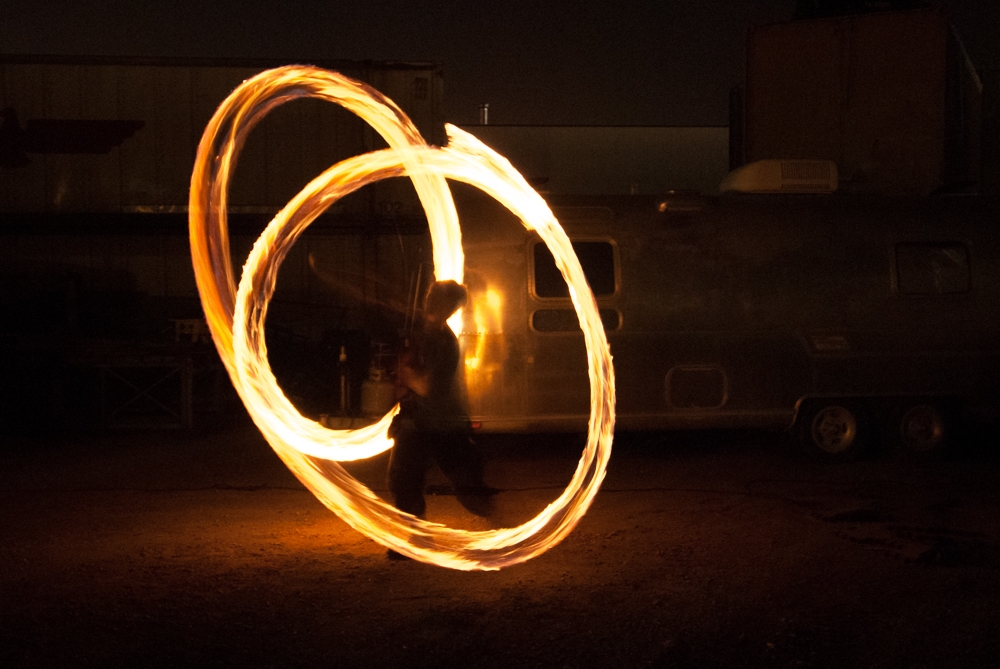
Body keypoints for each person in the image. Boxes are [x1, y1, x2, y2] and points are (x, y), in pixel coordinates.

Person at [387, 281, 493, 538]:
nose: (428, 300)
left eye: (436, 298)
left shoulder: (443, 341)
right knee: (403, 479)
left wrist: (405, 374)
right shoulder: (422, 332)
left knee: (467, 489)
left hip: (437, 422)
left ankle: (507, 524)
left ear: (450, 307)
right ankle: (414, 538)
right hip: (421, 420)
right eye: (430, 295)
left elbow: (426, 386)